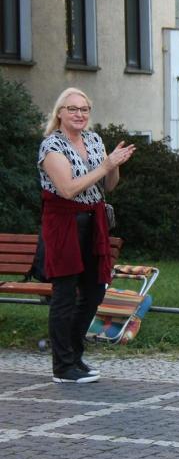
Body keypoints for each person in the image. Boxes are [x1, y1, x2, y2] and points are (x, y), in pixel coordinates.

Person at [39, 88, 135, 383]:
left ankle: (74, 355)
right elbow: (68, 189)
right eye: (72, 109)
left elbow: (108, 186)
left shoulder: (93, 140)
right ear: (60, 113)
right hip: (64, 223)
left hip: (93, 222)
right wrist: (105, 165)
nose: (79, 114)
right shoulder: (52, 145)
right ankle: (62, 366)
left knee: (95, 291)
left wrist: (113, 167)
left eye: (84, 109)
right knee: (65, 294)